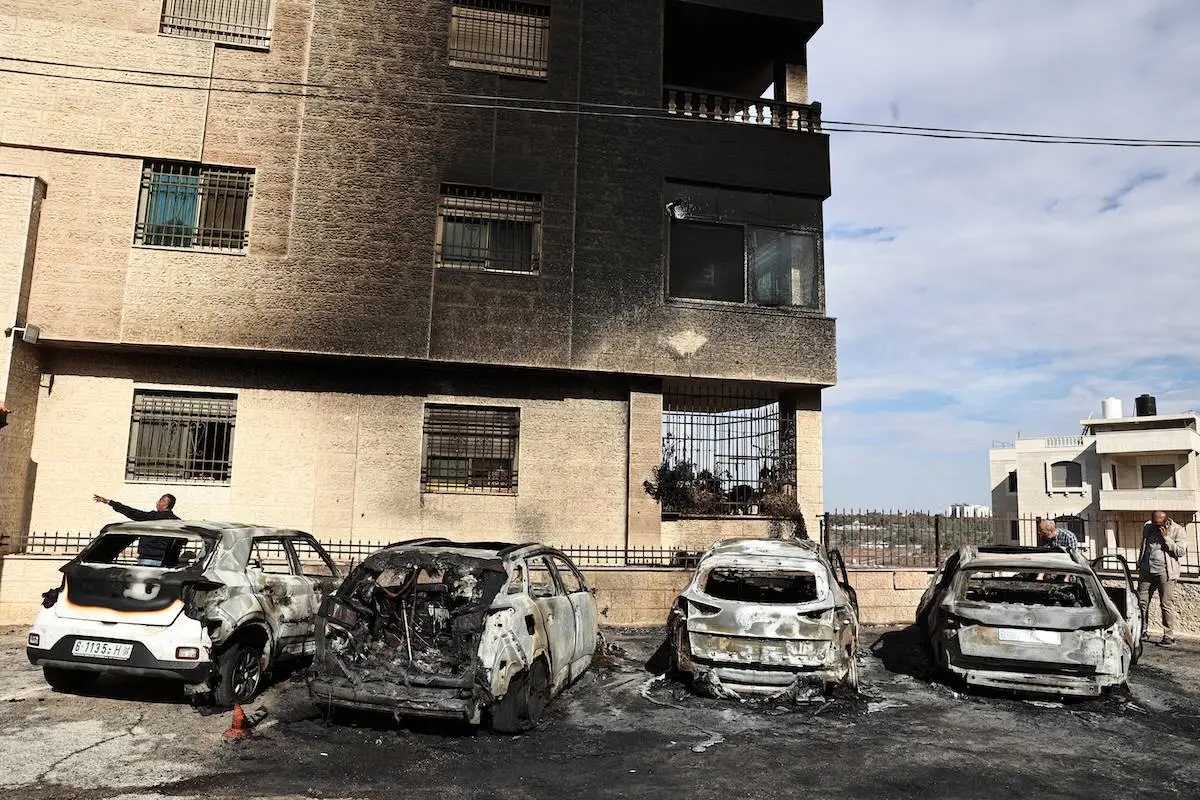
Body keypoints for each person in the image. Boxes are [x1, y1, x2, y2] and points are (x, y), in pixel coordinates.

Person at [1137, 511, 1188, 647]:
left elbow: (1181, 551)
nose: (1156, 526)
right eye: (1154, 523)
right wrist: (1140, 563)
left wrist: (1167, 538)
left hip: (1166, 572)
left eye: (1158, 524)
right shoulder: (1148, 526)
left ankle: (1168, 636)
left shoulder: (1178, 530)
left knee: (1166, 604)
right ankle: (1142, 630)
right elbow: (1144, 545)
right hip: (1146, 570)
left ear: (1166, 522)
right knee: (1141, 602)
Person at [93, 493, 179, 566]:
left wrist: (109, 502)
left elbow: (131, 512)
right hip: (167, 562)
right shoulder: (177, 522)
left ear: (165, 504)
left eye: (160, 500)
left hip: (147, 559)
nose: (157, 503)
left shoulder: (151, 517)